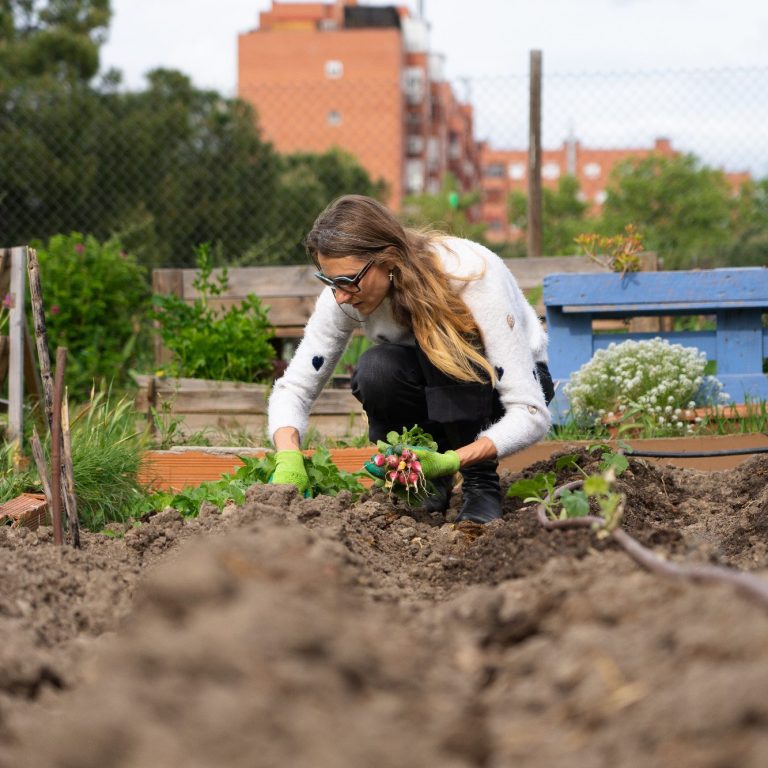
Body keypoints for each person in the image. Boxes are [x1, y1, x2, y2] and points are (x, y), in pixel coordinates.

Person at [268, 194, 554, 524]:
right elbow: (295, 387)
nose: (341, 295)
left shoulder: (469, 275)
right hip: (435, 391)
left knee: (442, 347)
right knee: (377, 369)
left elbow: (531, 412)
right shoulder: (345, 290)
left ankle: (480, 483)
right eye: (331, 281)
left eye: (348, 281)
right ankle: (424, 478)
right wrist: (288, 454)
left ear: (388, 259)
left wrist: (452, 460)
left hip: (500, 390)